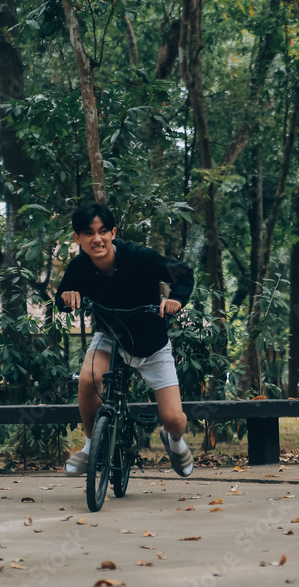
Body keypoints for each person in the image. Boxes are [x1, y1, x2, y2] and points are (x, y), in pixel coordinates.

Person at [55, 202, 195, 478]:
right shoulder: (79, 266)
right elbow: (63, 295)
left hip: (151, 344)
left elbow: (183, 273)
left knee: (173, 420)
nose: (97, 239)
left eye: (103, 231)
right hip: (110, 337)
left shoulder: (139, 257)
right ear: (78, 238)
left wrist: (176, 299)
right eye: (89, 233)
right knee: (87, 379)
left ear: (113, 232)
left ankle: (175, 441)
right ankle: (91, 444)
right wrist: (67, 297)